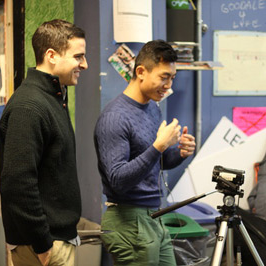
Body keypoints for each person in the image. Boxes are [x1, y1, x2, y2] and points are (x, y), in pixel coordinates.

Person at [94, 40, 196, 266]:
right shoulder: (115, 117)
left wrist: (178, 153)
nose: (168, 85)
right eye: (163, 77)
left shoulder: (152, 108)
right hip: (127, 220)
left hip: (153, 217)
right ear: (140, 72)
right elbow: (118, 179)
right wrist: (159, 145)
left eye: (172, 78)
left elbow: (155, 163)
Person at [0, 19, 88, 266]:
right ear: (52, 55)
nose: (85, 64)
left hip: (57, 241)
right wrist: (43, 244)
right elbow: (17, 183)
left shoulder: (53, 96)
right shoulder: (30, 106)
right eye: (78, 56)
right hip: (44, 246)